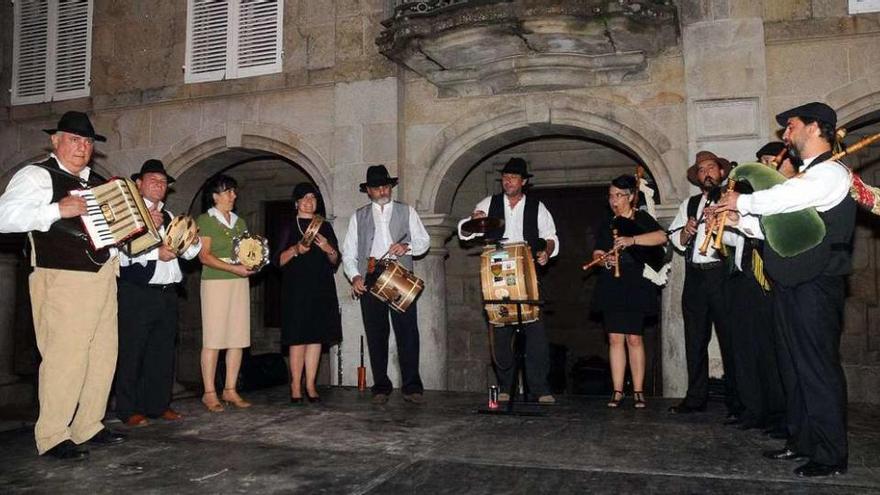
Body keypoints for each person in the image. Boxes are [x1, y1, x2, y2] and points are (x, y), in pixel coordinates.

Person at [717, 102, 854, 477]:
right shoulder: (804, 181)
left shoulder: (830, 173)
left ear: (814, 128)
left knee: (816, 367)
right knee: (793, 366)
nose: (785, 134)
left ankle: (830, 454)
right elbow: (778, 228)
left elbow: (789, 198)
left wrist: (742, 200)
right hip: (794, 281)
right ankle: (802, 441)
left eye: (791, 126)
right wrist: (739, 220)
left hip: (818, 282)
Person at [0, 111, 126, 459]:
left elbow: (113, 231)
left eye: (87, 141)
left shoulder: (99, 181)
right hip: (62, 275)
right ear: (55, 141)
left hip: (104, 274)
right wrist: (57, 209)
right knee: (65, 357)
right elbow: (4, 217)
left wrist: (135, 233)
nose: (81, 146)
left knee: (103, 355)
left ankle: (89, 424)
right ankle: (53, 434)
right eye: (74, 139)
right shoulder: (37, 175)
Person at [458, 157, 559, 404]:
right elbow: (465, 230)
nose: (508, 181)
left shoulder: (537, 207)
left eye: (513, 177)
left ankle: (540, 388)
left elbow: (551, 237)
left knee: (535, 332)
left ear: (523, 182)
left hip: (527, 273)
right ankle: (505, 386)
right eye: (504, 177)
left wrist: (546, 252)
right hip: (497, 273)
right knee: (501, 330)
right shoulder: (489, 203)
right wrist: (473, 220)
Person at [115, 160, 202, 427]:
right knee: (132, 352)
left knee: (163, 353)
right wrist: (157, 253)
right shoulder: (128, 213)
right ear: (138, 183)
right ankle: (128, 409)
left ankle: (158, 404)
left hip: (167, 294)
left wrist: (193, 241)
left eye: (163, 182)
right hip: (138, 292)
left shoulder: (171, 216)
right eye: (153, 180)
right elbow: (120, 253)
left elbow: (188, 254)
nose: (159, 185)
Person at [342, 165, 430, 405]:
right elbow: (348, 253)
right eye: (376, 187)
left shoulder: (406, 211)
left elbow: (424, 241)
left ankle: (412, 386)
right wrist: (355, 277)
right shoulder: (358, 216)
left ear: (390, 187)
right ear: (368, 191)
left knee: (408, 331)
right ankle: (381, 385)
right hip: (370, 274)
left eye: (385, 186)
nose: (382, 190)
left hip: (399, 273)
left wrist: (406, 247)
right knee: (376, 332)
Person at [666, 151, 740, 417]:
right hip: (695, 276)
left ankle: (738, 401)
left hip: (721, 275)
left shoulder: (732, 198)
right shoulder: (689, 203)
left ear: (721, 172)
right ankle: (695, 398)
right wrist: (686, 232)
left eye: (711, 167)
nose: (706, 172)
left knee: (730, 340)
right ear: (697, 177)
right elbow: (674, 238)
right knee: (694, 340)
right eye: (701, 169)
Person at [589, 174, 667, 409]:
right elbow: (597, 253)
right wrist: (605, 261)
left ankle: (639, 391)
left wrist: (632, 240)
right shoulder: (607, 223)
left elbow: (662, 237)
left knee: (634, 337)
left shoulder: (641, 218)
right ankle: (617, 390)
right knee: (615, 338)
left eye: (619, 196)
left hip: (636, 283)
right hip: (612, 284)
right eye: (611, 196)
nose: (614, 200)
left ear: (631, 196)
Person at [274, 183, 342, 404]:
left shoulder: (324, 226)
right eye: (304, 198)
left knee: (316, 338)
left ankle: (311, 384)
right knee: (297, 338)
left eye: (312, 198)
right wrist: (295, 250)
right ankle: (295, 385)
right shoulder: (287, 225)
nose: (309, 201)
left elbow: (335, 260)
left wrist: (328, 249)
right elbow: (277, 260)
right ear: (296, 203)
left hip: (321, 287)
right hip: (295, 289)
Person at [196, 175, 255, 412]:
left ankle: (230, 389)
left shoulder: (240, 222)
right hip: (215, 282)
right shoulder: (205, 220)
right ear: (215, 196)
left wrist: (254, 260)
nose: (234, 195)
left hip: (239, 282)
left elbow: (247, 250)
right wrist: (234, 268)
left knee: (237, 337)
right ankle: (209, 392)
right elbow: (204, 256)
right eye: (228, 191)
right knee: (213, 338)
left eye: (233, 191)